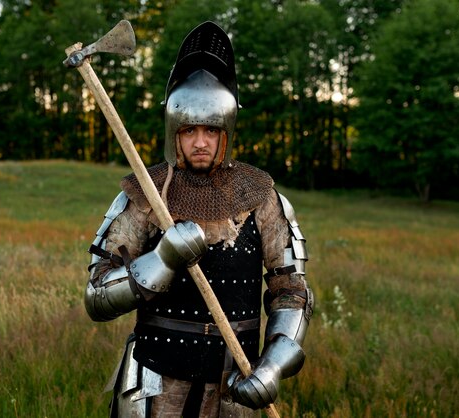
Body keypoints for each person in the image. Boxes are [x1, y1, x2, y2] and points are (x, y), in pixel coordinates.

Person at [84, 21, 314, 418]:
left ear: (227, 130)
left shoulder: (261, 197)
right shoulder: (144, 195)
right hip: (155, 384)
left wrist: (273, 365)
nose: (201, 141)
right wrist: (163, 259)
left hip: (232, 387)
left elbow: (291, 292)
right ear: (175, 129)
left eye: (211, 129)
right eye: (190, 129)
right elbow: (97, 295)